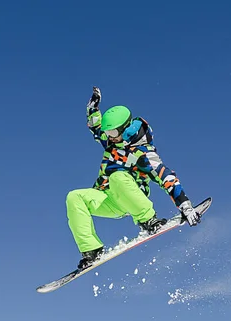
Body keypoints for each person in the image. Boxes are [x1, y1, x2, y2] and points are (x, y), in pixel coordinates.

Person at [66, 86, 201, 270]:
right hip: (108, 198)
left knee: (117, 177)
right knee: (74, 197)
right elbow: (95, 127)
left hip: (131, 196)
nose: (110, 138)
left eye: (113, 133)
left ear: (125, 129)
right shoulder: (112, 140)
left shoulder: (144, 152)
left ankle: (148, 220)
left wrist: (185, 205)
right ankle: (92, 250)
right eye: (109, 134)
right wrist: (93, 108)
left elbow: (165, 176)